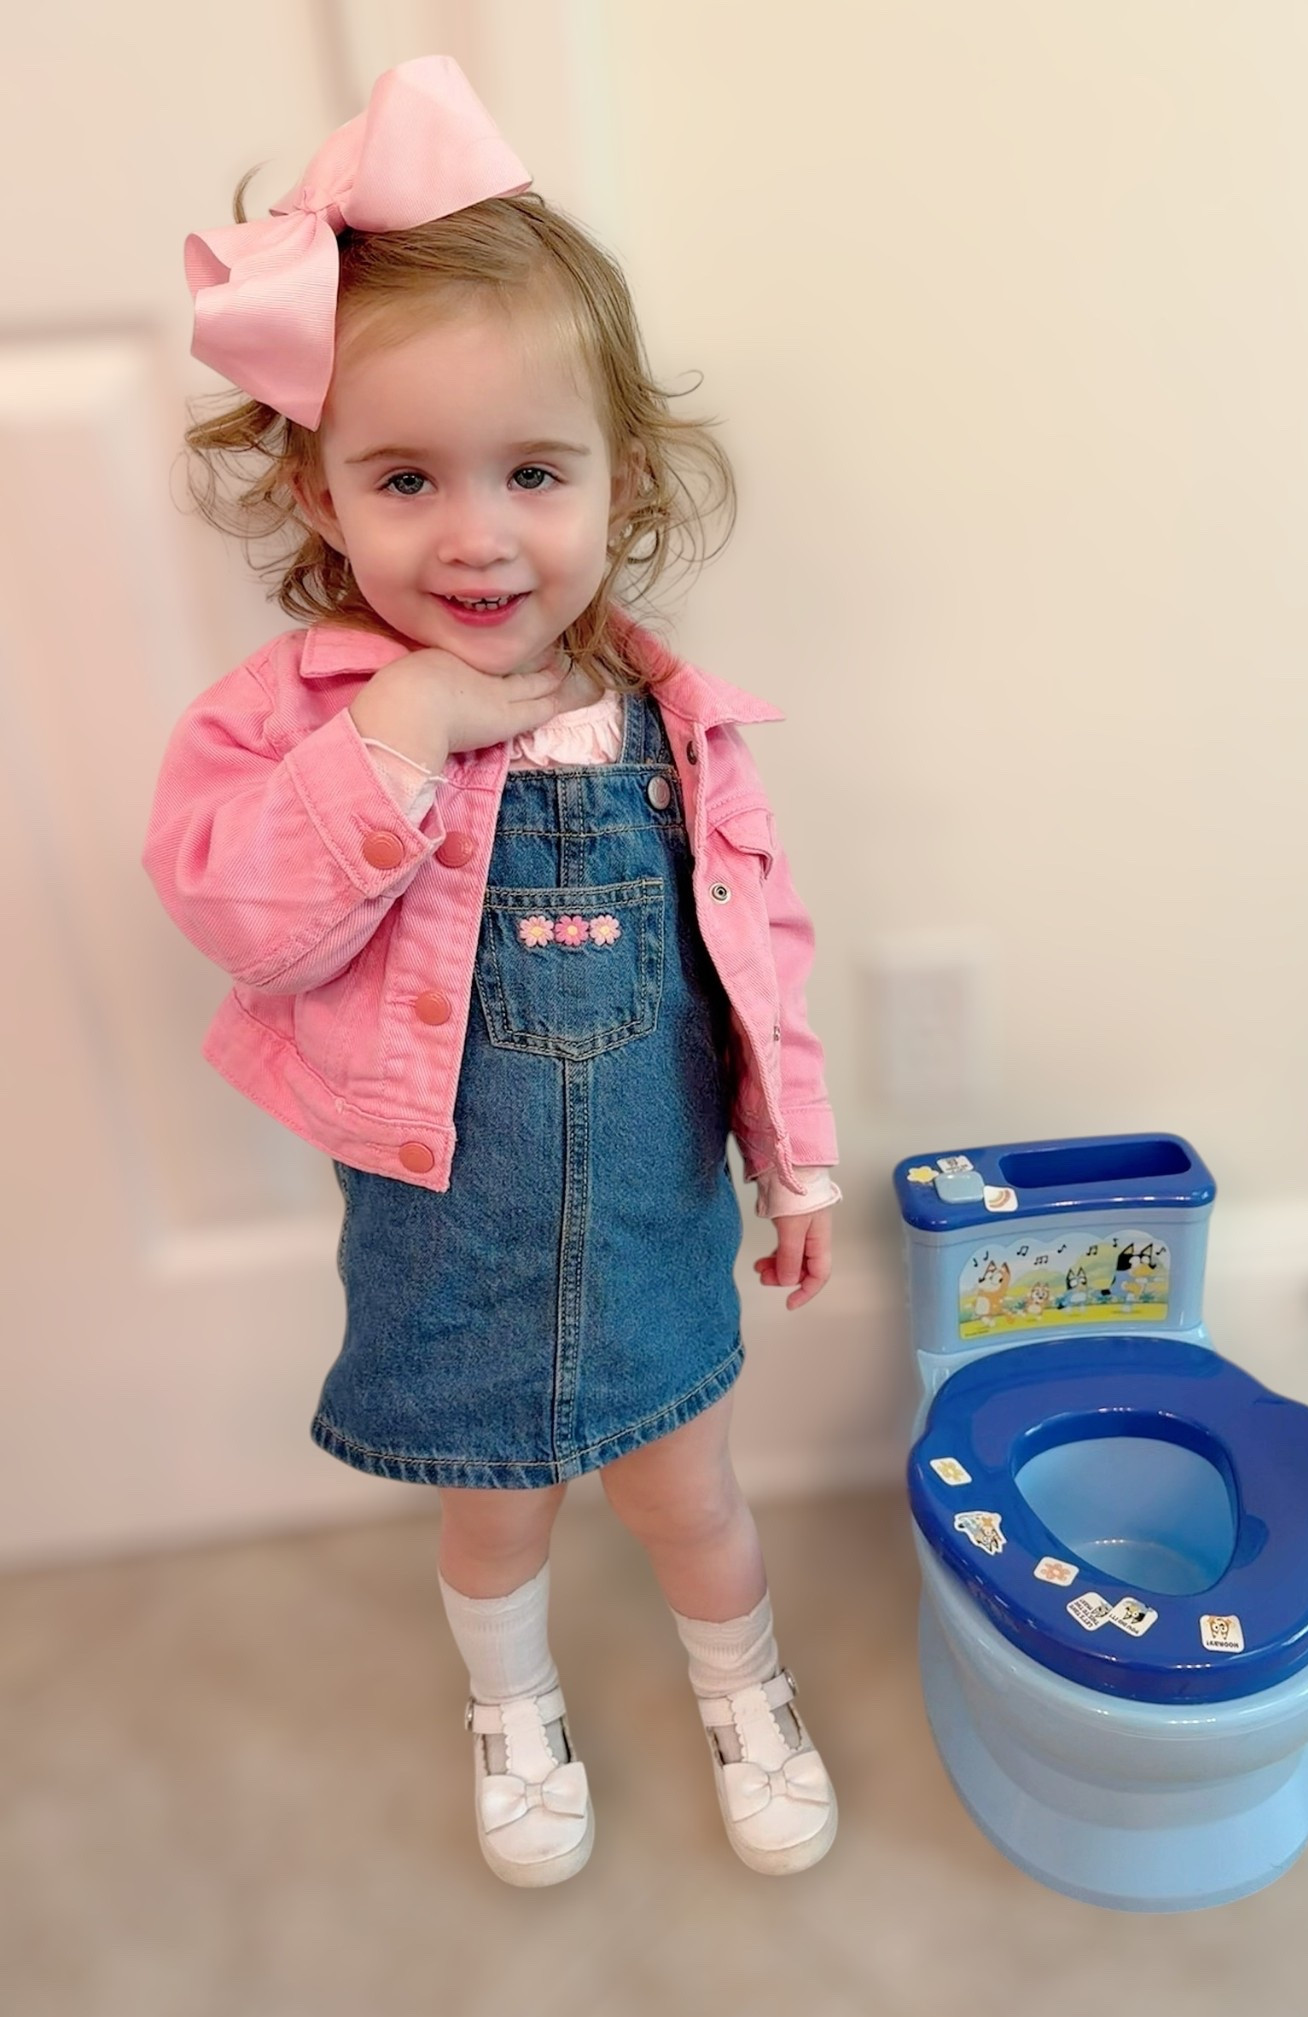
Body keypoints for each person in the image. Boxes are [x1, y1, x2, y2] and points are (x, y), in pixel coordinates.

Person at [144, 55, 841, 1887]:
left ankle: (741, 1681)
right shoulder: (293, 722)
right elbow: (241, 916)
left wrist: (799, 1153)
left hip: (653, 1215)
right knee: (495, 1506)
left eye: (533, 471)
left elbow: (755, 950)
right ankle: (510, 1715)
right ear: (319, 494)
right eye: (406, 477)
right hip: (448, 1220)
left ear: (623, 476)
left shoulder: (675, 723)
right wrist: (401, 730)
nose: (475, 533)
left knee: (689, 1493)